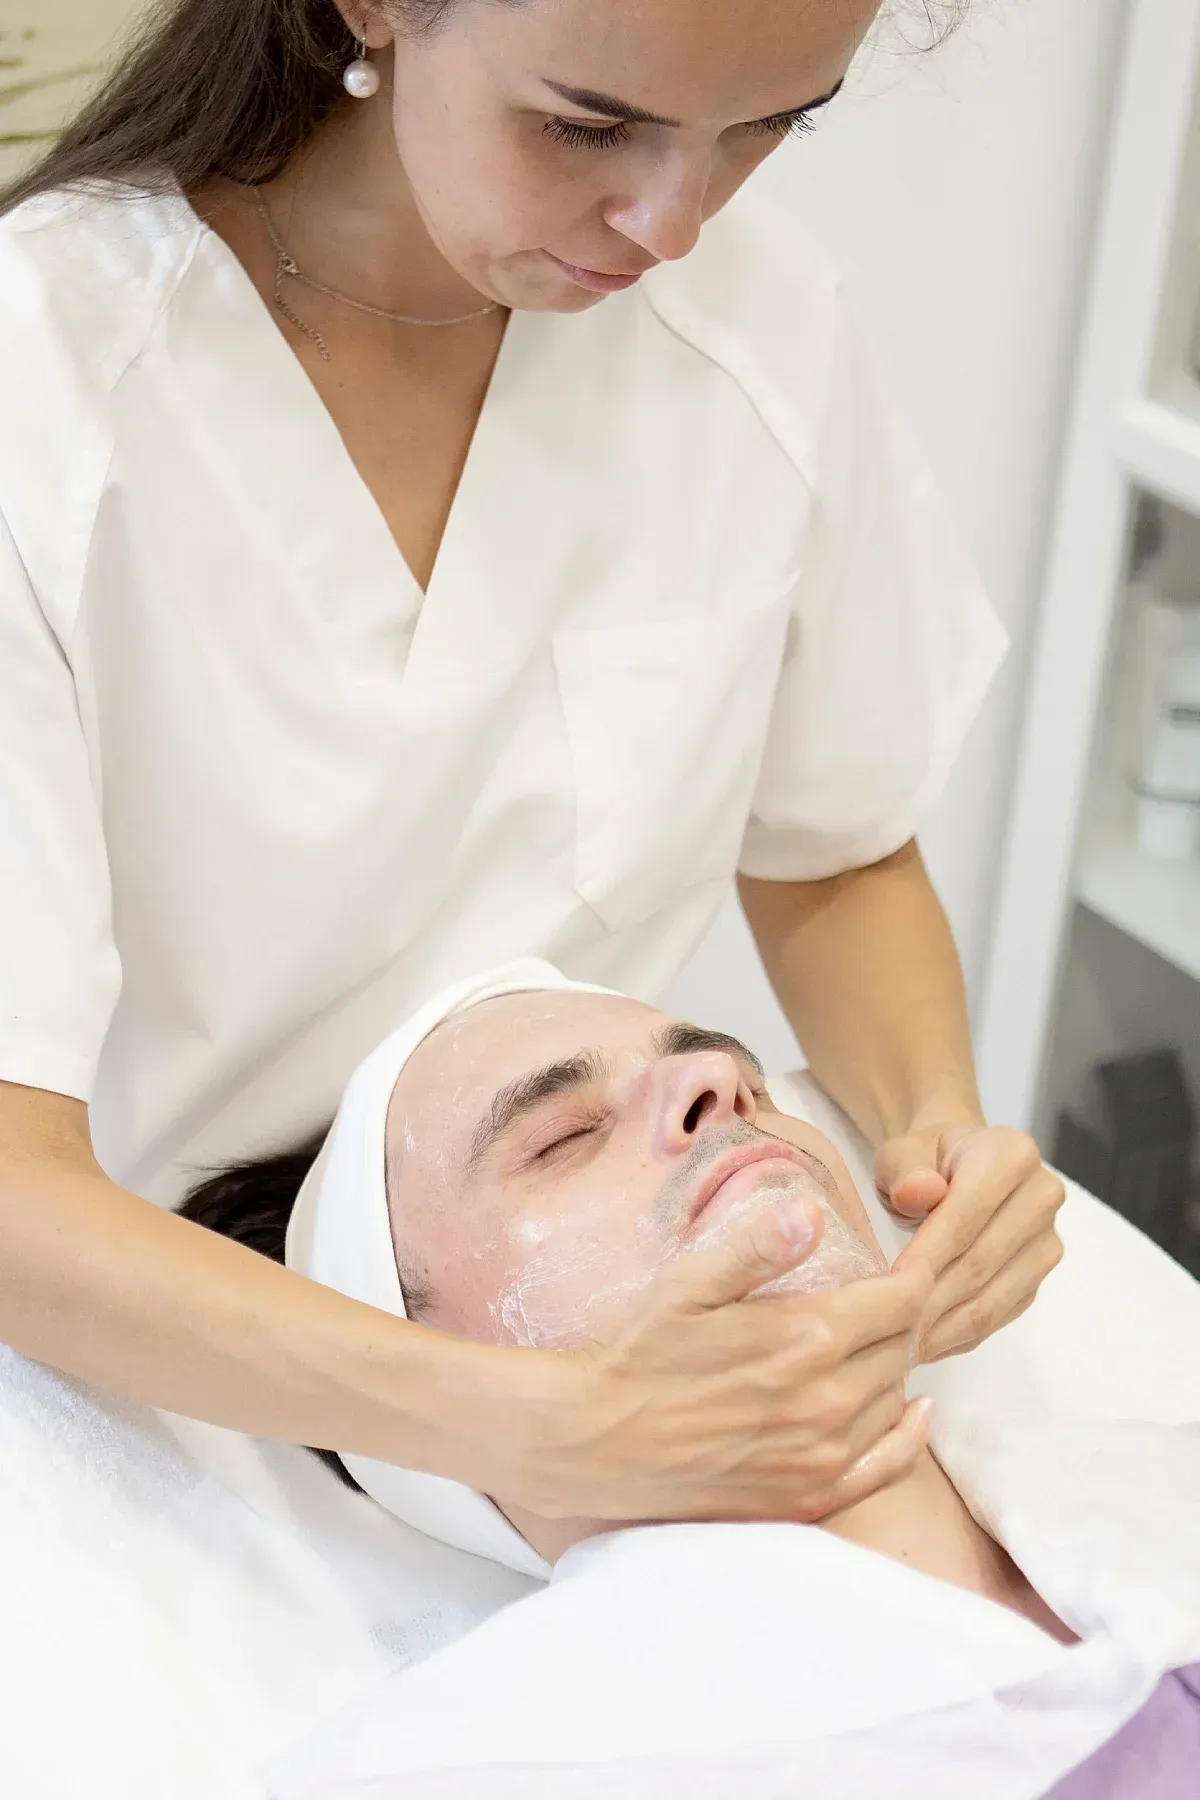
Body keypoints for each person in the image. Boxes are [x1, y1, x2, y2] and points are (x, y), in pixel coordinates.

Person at [0, 0, 1065, 1534]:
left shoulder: (758, 337)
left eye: (773, 126)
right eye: (584, 124)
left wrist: (934, 1130)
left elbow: (833, 854)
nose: (674, 224)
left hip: (620, 1368)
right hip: (146, 1396)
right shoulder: (45, 384)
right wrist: (524, 1425)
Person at [183, 964, 1200, 1800]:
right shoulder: (467, 1765)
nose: (719, 1078)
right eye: (562, 1138)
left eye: (750, 1087)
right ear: (426, 1366)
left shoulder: (1163, 1487)